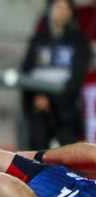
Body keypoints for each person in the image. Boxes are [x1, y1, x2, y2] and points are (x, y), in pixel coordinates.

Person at [20, 0, 90, 150]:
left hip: (66, 109)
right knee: (37, 150)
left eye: (66, 8)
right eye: (58, 7)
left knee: (66, 151)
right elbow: (26, 72)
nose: (62, 12)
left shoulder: (78, 41)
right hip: (39, 107)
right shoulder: (38, 40)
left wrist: (53, 100)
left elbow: (76, 78)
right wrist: (37, 96)